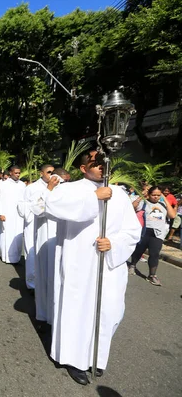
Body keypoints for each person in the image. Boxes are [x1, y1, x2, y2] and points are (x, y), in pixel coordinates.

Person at [45, 149, 141, 385]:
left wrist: (114, 243)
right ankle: (74, 359)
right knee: (78, 309)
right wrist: (94, 197)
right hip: (79, 262)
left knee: (110, 310)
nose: (101, 166)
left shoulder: (119, 193)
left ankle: (96, 357)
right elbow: (53, 206)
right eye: (95, 163)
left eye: (104, 162)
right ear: (83, 168)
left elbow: (132, 230)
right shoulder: (69, 189)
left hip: (109, 264)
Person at [29, 168, 70, 327]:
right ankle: (44, 315)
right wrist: (49, 190)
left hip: (63, 240)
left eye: (66, 180)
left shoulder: (68, 192)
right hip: (46, 240)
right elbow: (37, 210)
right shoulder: (39, 190)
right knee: (46, 277)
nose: (62, 183)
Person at [128, 185, 177, 285]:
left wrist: (164, 198)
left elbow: (172, 215)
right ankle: (132, 265)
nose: (156, 197)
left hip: (158, 233)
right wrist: (142, 195)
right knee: (139, 250)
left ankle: (152, 275)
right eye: (153, 195)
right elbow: (132, 207)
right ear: (149, 194)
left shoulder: (163, 204)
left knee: (154, 254)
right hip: (145, 231)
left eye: (158, 195)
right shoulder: (144, 203)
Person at [17, 164, 54, 291]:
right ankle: (32, 283)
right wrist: (32, 212)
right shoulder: (32, 188)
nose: (51, 174)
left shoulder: (58, 187)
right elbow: (22, 204)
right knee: (33, 252)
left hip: (51, 223)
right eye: (49, 172)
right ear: (41, 173)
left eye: (53, 172)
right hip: (33, 222)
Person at [0, 166, 26, 264]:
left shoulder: (22, 185)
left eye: (19, 173)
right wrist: (0, 213)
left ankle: (16, 257)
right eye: (16, 173)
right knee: (7, 233)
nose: (18, 175)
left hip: (19, 214)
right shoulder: (4, 184)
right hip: (7, 213)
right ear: (11, 173)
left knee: (18, 234)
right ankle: (6, 256)